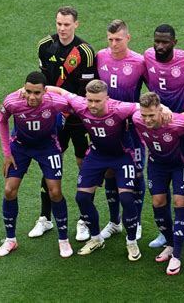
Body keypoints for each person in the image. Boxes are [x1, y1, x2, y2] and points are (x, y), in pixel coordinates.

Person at [49, 80, 143, 260]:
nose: (92, 105)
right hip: (96, 155)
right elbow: (60, 91)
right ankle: (96, 238)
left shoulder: (119, 108)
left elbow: (142, 107)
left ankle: (131, 242)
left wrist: (165, 110)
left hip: (122, 156)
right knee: (82, 197)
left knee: (126, 198)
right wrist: (29, 90)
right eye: (90, 100)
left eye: (97, 101)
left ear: (107, 99)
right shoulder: (80, 104)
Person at [143, 24, 184, 251]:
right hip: (159, 131)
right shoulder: (148, 56)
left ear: (174, 42)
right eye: (157, 41)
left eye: (164, 42)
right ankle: (165, 233)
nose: (159, 46)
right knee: (160, 187)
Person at [35, 6, 96, 242]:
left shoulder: (85, 52)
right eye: (59, 23)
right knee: (50, 163)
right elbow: (43, 83)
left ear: (76, 24)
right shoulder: (44, 45)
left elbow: (85, 91)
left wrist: (67, 112)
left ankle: (84, 219)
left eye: (67, 24)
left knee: (84, 165)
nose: (62, 28)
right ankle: (44, 218)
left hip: (78, 121)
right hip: (53, 118)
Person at [0, 71, 73, 258]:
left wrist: (63, 114)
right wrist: (7, 154)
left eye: (36, 93)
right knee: (9, 190)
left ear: (45, 91)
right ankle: (10, 240)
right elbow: (2, 121)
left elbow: (75, 106)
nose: (31, 96)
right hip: (20, 148)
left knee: (55, 191)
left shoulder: (55, 102)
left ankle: (63, 240)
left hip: (47, 147)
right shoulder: (12, 101)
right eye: (28, 91)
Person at [132, 92, 184, 275]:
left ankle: (176, 254)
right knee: (158, 202)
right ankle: (169, 243)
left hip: (181, 165)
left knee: (179, 202)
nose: (147, 119)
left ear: (160, 111)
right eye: (144, 115)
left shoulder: (177, 123)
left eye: (151, 115)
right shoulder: (137, 119)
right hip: (157, 164)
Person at [96, 19, 147, 241]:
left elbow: (152, 92)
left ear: (128, 38)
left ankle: (135, 221)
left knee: (136, 173)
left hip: (131, 128)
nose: (113, 44)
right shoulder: (100, 56)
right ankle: (115, 221)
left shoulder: (139, 62)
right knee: (109, 171)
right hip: (107, 128)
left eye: (118, 39)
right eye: (110, 39)